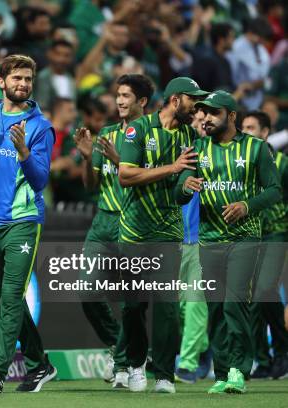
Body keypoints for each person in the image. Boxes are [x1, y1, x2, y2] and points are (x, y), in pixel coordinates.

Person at [176, 91, 282, 394]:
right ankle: (222, 372)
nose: (206, 118)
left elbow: (274, 190)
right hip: (209, 240)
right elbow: (177, 194)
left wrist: (247, 206)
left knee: (235, 302)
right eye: (203, 112)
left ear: (231, 116)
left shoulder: (257, 149)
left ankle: (238, 368)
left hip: (245, 238)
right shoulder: (196, 149)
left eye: (213, 112)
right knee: (217, 308)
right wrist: (185, 186)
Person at [0, 54, 56, 393]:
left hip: (23, 221)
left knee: (13, 297)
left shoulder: (40, 127)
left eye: (28, 79)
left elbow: (40, 180)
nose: (23, 84)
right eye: (17, 78)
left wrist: (24, 153)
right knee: (8, 303)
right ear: (1, 82)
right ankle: (40, 363)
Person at [117, 77, 208, 393]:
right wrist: (172, 169)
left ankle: (165, 375)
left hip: (169, 232)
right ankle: (135, 364)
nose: (196, 108)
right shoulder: (138, 129)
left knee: (168, 306)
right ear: (175, 100)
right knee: (133, 306)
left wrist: (187, 186)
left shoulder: (189, 137)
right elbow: (125, 175)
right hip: (133, 232)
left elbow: (181, 189)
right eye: (192, 101)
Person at [76, 74, 154, 387]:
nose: (120, 101)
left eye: (126, 96)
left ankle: (130, 362)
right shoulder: (107, 132)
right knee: (86, 290)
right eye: (118, 94)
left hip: (136, 221)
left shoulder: (154, 135)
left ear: (142, 102)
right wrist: (86, 158)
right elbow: (90, 184)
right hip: (104, 223)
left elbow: (152, 178)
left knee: (132, 303)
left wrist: (119, 159)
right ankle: (118, 348)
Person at [241, 111, 288, 380]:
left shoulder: (282, 164)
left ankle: (281, 352)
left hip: (276, 234)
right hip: (250, 234)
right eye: (243, 127)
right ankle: (263, 359)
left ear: (265, 133)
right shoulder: (240, 163)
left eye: (251, 127)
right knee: (251, 297)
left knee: (263, 289)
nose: (245, 132)